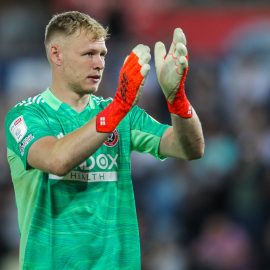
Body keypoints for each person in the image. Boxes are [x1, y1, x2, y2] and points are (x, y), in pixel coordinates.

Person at [5, 11, 204, 270]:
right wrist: (119, 107)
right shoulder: (26, 116)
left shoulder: (122, 115)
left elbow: (189, 147)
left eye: (102, 55)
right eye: (88, 54)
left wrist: (177, 99)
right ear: (56, 55)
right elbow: (56, 159)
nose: (99, 64)